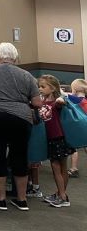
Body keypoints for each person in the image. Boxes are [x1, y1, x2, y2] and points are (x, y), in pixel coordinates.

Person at [0, 43, 42, 211]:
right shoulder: (27, 76)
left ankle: (0, 199)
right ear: (15, 58)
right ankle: (21, 200)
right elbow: (37, 103)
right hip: (21, 118)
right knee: (20, 155)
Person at [37, 75, 74, 208]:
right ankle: (60, 193)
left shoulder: (56, 103)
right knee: (60, 167)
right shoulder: (43, 101)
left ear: (52, 88)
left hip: (57, 138)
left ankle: (63, 197)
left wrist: (61, 98)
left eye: (43, 86)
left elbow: (62, 101)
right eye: (39, 86)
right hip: (51, 137)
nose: (40, 89)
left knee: (57, 167)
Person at [66, 79, 87, 178]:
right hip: (85, 127)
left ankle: (74, 168)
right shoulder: (85, 100)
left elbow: (64, 95)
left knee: (74, 148)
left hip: (78, 127)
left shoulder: (74, 99)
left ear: (74, 89)